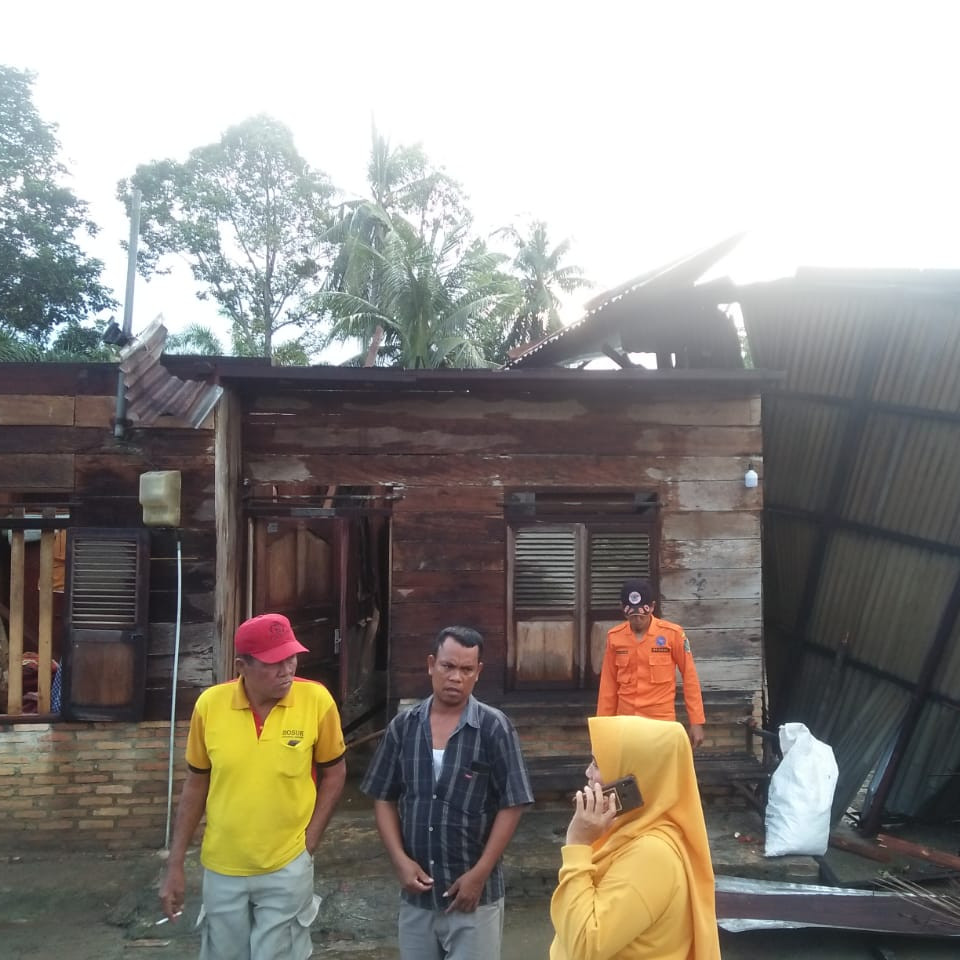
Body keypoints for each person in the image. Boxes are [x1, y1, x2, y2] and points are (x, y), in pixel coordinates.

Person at [159, 613, 347, 960]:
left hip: (288, 864)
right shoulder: (210, 706)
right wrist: (175, 864)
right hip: (223, 868)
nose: (287, 669)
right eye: (274, 662)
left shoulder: (316, 701)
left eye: (291, 657)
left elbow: (335, 771)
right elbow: (196, 783)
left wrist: (311, 841)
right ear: (241, 665)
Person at [361, 625, 534, 960]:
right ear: (431, 664)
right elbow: (383, 796)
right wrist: (399, 861)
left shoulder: (493, 728)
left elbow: (513, 804)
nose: (456, 677)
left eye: (466, 669)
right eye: (448, 666)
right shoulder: (404, 726)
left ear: (478, 672)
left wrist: (479, 874)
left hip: (474, 899)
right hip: (418, 899)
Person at [549, 715, 721, 960]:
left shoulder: (652, 855)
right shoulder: (628, 830)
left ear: (631, 780)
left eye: (597, 764)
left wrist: (577, 844)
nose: (588, 772)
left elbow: (584, 946)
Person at [597, 578, 705, 749]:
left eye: (642, 615)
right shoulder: (615, 637)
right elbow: (608, 685)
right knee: (627, 774)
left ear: (652, 607)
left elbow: (690, 678)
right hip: (626, 723)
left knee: (661, 774)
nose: (637, 620)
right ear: (623, 609)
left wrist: (696, 721)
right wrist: (602, 727)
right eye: (632, 616)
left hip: (661, 724)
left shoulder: (673, 635)